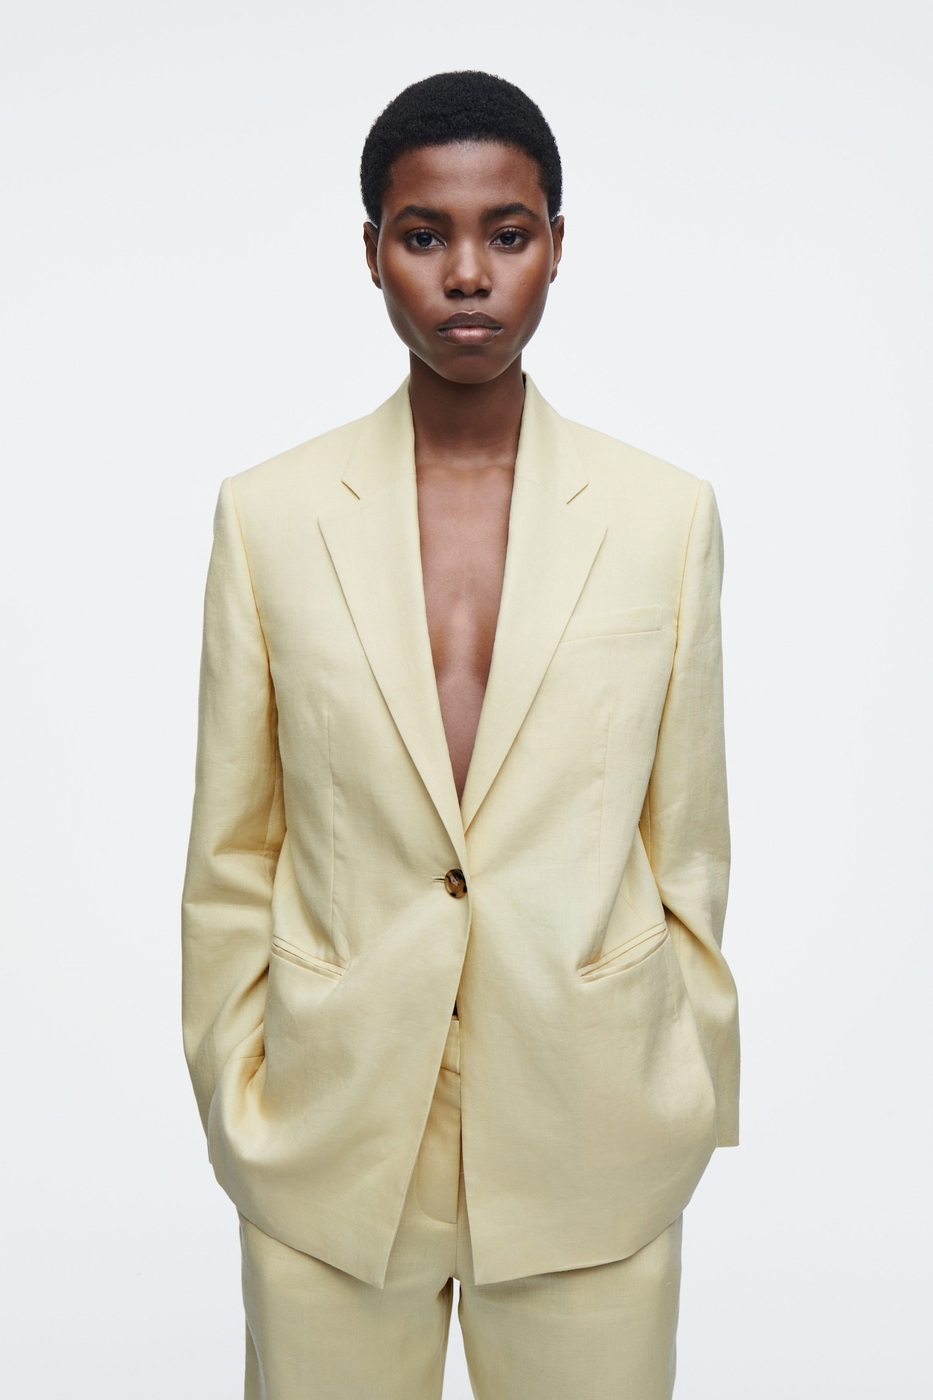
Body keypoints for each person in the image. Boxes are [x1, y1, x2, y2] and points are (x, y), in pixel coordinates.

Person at [182, 69, 739, 1400]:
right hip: (331, 1123)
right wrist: (238, 1089)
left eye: (508, 232)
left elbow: (689, 840)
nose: (469, 274)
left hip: (591, 1118)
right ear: (373, 253)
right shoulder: (269, 516)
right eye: (425, 234)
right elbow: (231, 848)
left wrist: (682, 1079)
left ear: (557, 245)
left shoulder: (664, 517)